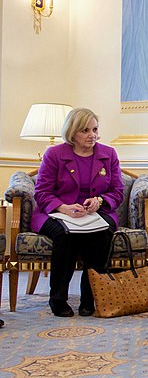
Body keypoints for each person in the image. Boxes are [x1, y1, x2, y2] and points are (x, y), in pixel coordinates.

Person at [33, 108, 124, 317]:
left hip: (96, 213)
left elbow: (118, 191)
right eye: (85, 130)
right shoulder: (55, 154)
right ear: (72, 132)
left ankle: (89, 297)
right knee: (65, 235)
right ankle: (58, 298)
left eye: (95, 129)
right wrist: (63, 207)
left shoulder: (108, 154)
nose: (92, 135)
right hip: (56, 212)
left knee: (102, 233)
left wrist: (99, 201)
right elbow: (42, 192)